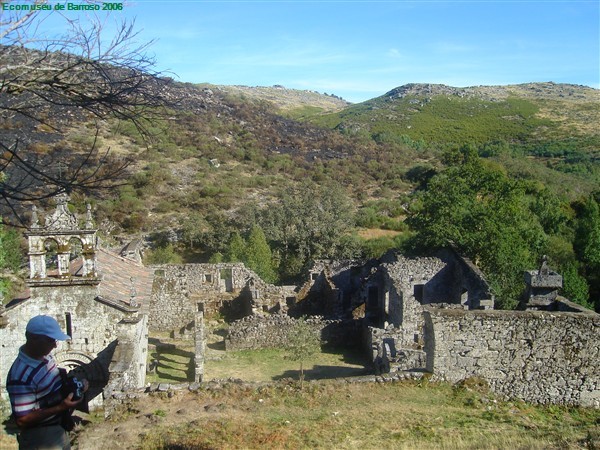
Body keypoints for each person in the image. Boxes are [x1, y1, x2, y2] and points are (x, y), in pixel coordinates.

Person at [6, 315, 88, 450]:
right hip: (41, 438)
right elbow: (22, 420)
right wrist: (60, 407)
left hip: (58, 429)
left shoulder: (46, 356)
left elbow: (52, 388)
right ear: (33, 339)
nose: (55, 345)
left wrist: (75, 387)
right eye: (50, 340)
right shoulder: (20, 376)